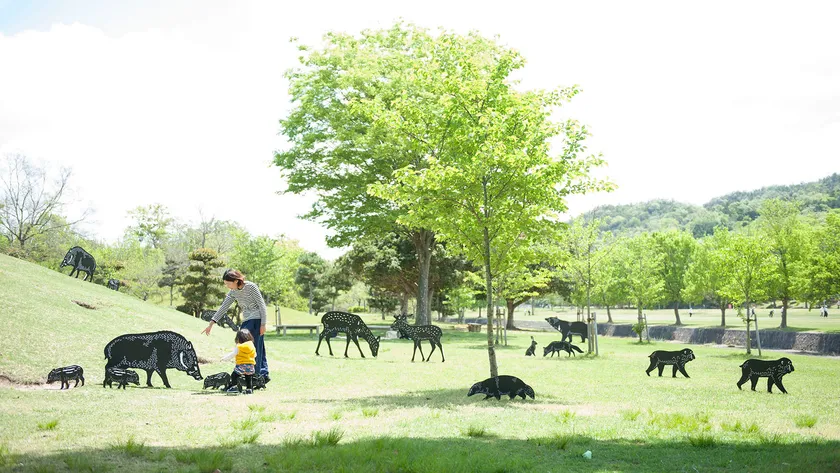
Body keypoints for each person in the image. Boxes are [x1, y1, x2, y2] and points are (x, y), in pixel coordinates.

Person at [202, 269, 270, 383]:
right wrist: (212, 323)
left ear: (236, 280)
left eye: (228, 283)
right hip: (247, 320)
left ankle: (254, 376)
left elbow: (262, 305)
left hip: (257, 320)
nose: (227, 286)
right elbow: (224, 306)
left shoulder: (251, 287)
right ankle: (263, 375)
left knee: (251, 347)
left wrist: (263, 324)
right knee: (258, 347)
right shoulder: (233, 292)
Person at [222, 328, 256, 394]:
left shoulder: (239, 347)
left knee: (234, 376)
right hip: (250, 366)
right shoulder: (252, 346)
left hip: (241, 366)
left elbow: (233, 354)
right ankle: (249, 389)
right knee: (248, 377)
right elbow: (255, 355)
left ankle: (234, 387)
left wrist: (224, 358)